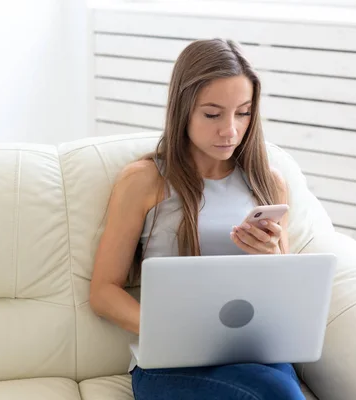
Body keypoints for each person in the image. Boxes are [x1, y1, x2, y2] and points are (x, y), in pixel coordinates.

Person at [89, 38, 305, 400]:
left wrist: (272, 259)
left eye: (243, 112)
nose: (230, 130)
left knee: (276, 388)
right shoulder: (144, 181)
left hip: (253, 353)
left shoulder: (269, 182)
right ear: (182, 110)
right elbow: (102, 292)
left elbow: (288, 297)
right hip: (171, 361)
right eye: (212, 114)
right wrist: (173, 331)